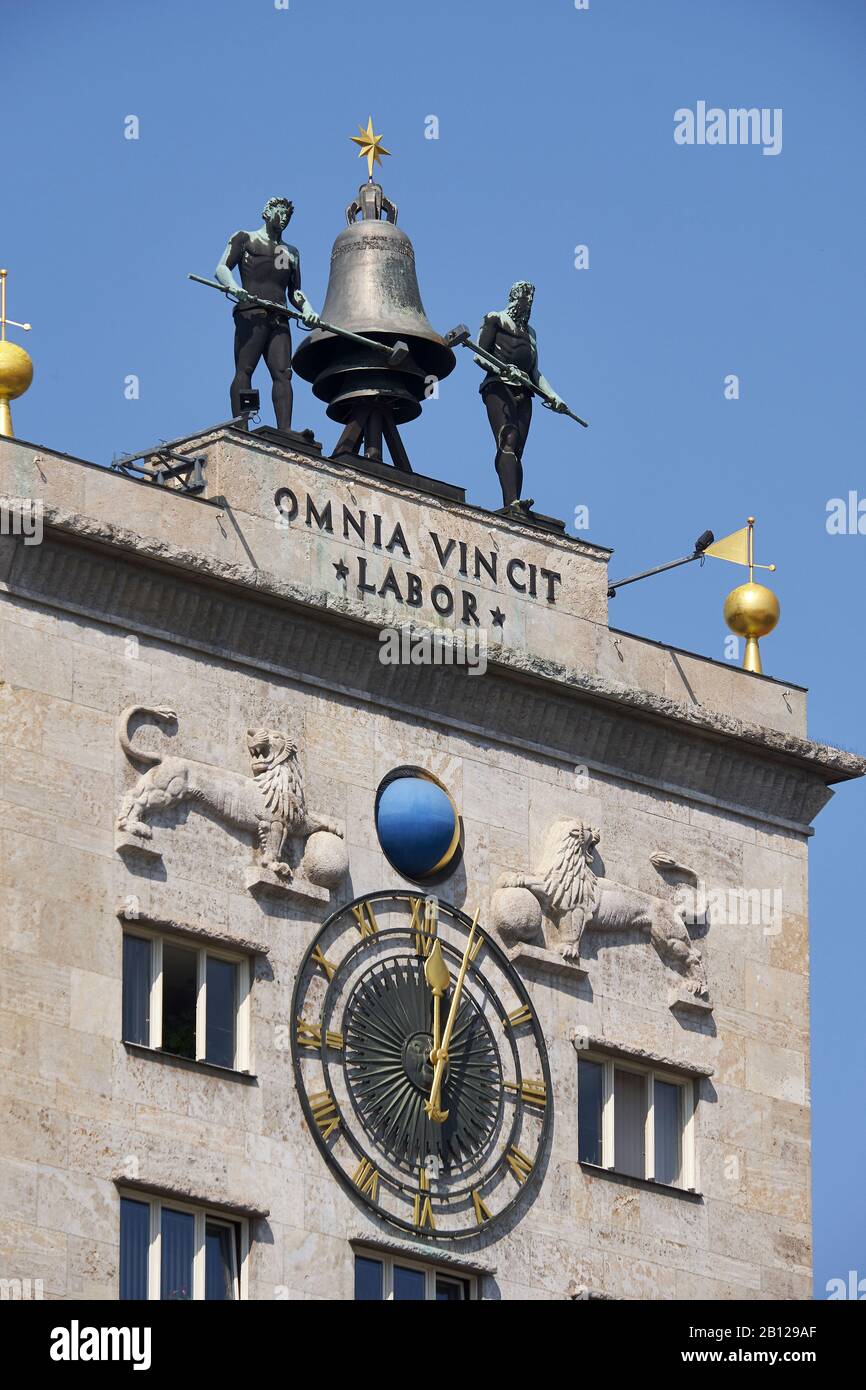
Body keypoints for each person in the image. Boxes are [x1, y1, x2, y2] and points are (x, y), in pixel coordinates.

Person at [215, 196, 319, 432]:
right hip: (252, 313)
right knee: (245, 369)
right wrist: (233, 286)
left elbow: (295, 292)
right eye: (280, 212)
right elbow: (221, 268)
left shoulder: (290, 252)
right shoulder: (245, 238)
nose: (283, 218)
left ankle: (285, 431)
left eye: (288, 215)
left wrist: (308, 308)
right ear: (266, 212)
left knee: (283, 374)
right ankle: (241, 425)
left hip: (279, 317)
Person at [476, 281, 565, 515]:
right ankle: (511, 501)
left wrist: (553, 395)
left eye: (531, 300)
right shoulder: (495, 319)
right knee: (508, 439)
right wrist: (502, 368)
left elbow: (535, 372)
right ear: (514, 298)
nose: (527, 303)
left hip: (525, 391)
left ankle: (517, 502)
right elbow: (479, 355)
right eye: (524, 298)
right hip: (498, 387)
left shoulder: (531, 333)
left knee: (519, 450)